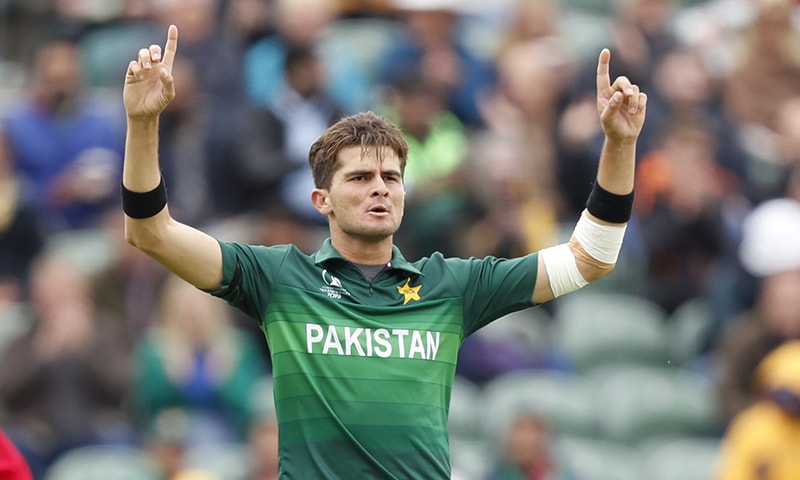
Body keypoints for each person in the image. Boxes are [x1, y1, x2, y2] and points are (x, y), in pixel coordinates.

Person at [121, 25, 646, 478]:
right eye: (361, 177)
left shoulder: (451, 285)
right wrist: (143, 124)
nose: (381, 188)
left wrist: (619, 148)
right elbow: (151, 231)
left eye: (391, 177)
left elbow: (590, 258)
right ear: (321, 200)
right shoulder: (280, 277)